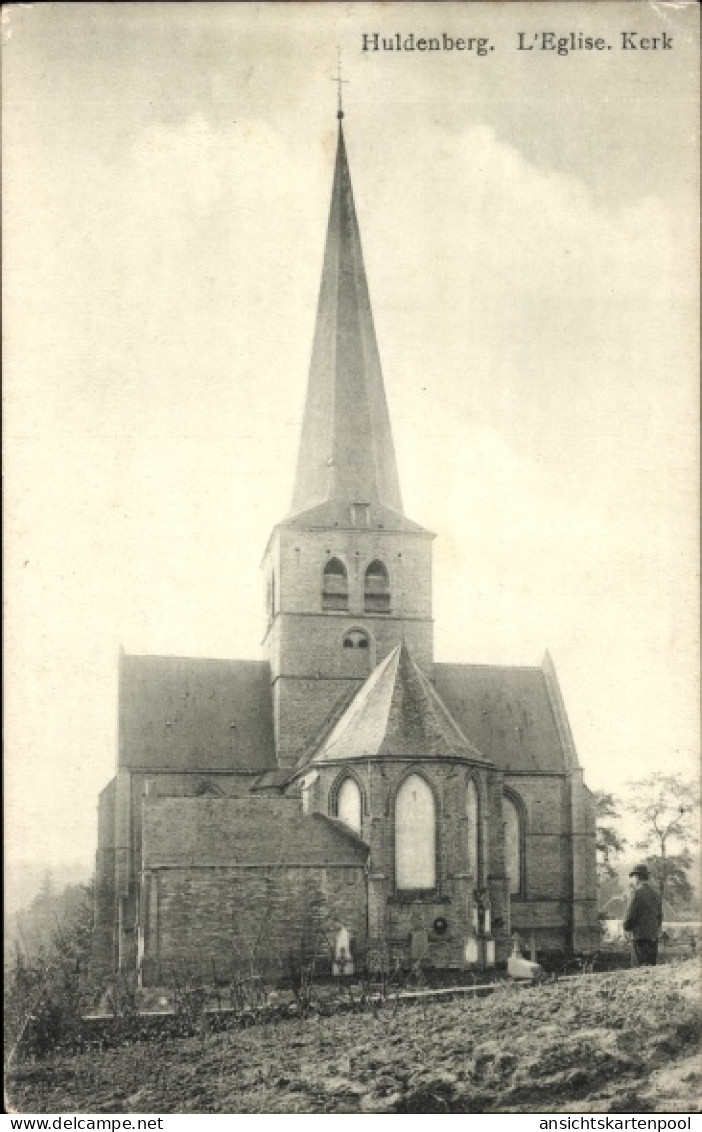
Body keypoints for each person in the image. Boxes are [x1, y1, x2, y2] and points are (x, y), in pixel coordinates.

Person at [623, 863, 663, 966]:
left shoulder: (635, 893)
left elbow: (629, 915)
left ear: (637, 877)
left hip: (638, 937)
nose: (632, 880)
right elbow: (660, 916)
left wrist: (626, 928)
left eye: (633, 877)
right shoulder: (656, 894)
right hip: (653, 937)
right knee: (650, 969)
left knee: (638, 968)